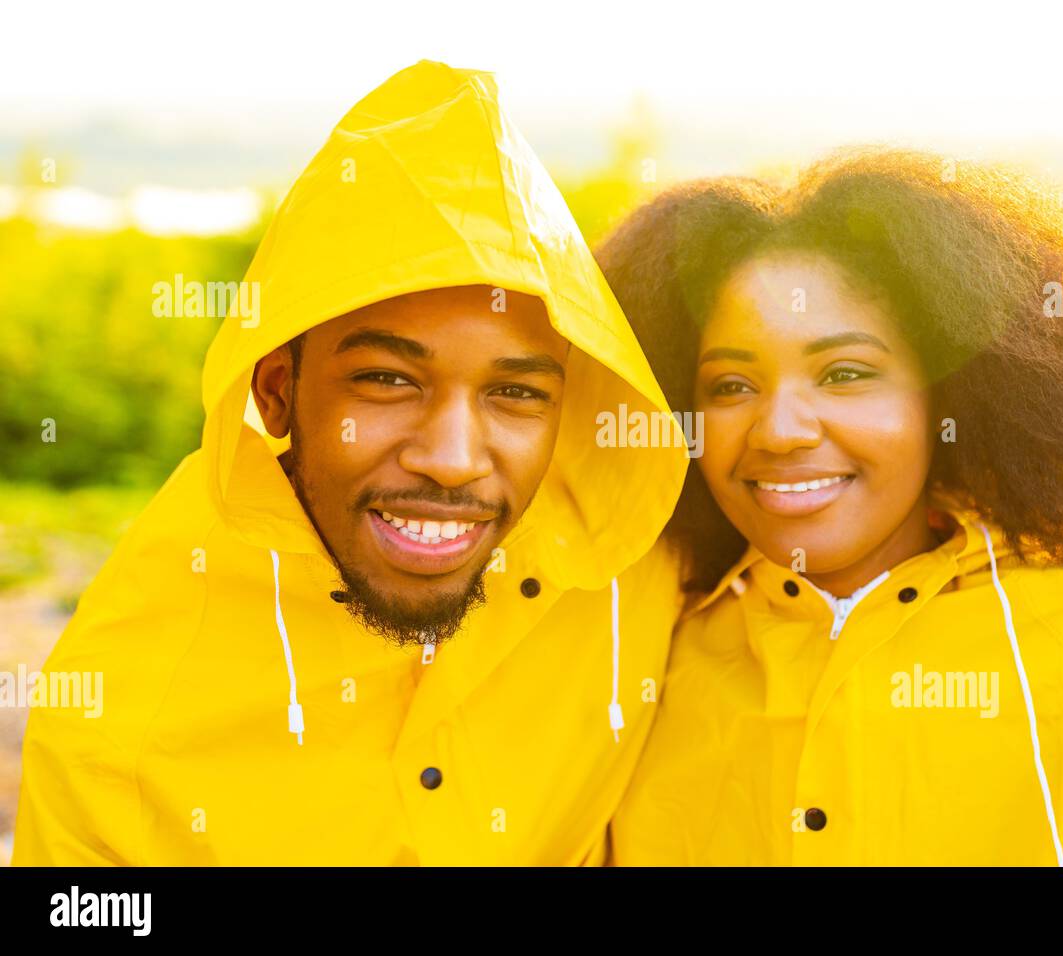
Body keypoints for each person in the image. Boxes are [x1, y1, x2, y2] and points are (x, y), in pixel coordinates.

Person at [13, 61, 686, 865]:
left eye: (515, 393)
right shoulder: (116, 721)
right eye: (388, 381)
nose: (451, 459)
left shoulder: (637, 581)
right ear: (277, 392)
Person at [599, 149, 1063, 865]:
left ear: (950, 396)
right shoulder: (638, 647)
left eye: (844, 373)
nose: (779, 430)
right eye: (729, 385)